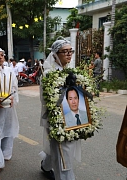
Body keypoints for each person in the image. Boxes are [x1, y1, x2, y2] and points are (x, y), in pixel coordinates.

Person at [40, 37, 80, 180]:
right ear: (56, 54)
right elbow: (47, 99)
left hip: (72, 116)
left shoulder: (73, 71)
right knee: (63, 153)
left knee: (60, 149)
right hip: (56, 118)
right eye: (65, 51)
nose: (69, 54)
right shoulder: (48, 74)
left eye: (71, 51)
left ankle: (46, 165)